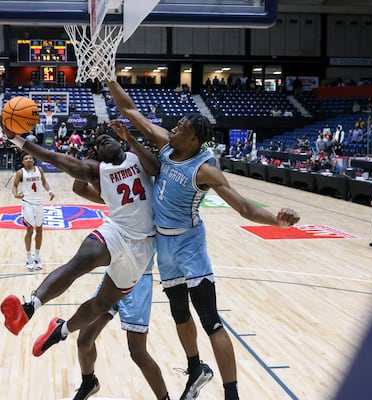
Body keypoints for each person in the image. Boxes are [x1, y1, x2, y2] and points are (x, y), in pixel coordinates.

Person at [107, 79, 300, 400]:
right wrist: (110, 80)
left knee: (210, 320)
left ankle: (231, 393)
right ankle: (196, 367)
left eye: (181, 127)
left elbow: (244, 207)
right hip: (165, 247)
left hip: (189, 245)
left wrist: (276, 220)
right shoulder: (168, 145)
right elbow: (129, 110)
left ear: (194, 139)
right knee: (179, 314)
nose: (173, 128)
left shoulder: (206, 169)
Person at [0, 116, 160, 363]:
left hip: (142, 248)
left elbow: (157, 167)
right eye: (100, 142)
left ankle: (60, 331)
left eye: (108, 137)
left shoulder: (137, 158)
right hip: (116, 232)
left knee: (102, 304)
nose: (105, 140)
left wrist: (130, 138)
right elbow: (54, 157)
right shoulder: (96, 170)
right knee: (81, 262)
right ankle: (28, 308)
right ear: (97, 155)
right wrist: (15, 138)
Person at [71, 178, 170, 400]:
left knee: (137, 352)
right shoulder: (124, 201)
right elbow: (79, 188)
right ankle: (89, 382)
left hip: (139, 280)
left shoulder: (160, 207)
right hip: (115, 275)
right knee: (84, 340)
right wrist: (88, 162)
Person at [12, 153, 55, 271]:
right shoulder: (20, 173)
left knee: (40, 229)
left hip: (39, 203)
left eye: (30, 158)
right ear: (23, 161)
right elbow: (14, 186)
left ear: (33, 160)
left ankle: (37, 255)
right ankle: (28, 257)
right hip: (27, 203)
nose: (29, 160)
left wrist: (50, 191)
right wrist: (15, 194)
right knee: (30, 229)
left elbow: (44, 182)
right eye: (26, 158)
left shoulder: (39, 170)